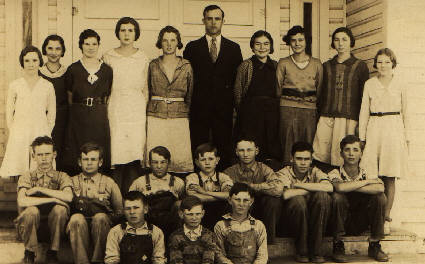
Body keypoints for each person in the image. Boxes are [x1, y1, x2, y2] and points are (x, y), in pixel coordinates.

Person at [183, 5, 243, 170]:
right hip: (199, 108)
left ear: (223, 21)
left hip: (224, 109)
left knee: (223, 147)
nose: (213, 22)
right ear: (203, 21)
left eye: (217, 19)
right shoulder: (192, 47)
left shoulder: (233, 48)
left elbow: (238, 82)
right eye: (209, 18)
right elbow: (186, 80)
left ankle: (222, 184)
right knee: (198, 146)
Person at [359, 48, 409, 235]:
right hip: (374, 127)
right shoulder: (370, 84)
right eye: (379, 62)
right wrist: (362, 137)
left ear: (393, 63)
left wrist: (406, 138)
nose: (383, 66)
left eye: (387, 62)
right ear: (375, 64)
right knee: (372, 174)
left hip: (394, 128)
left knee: (389, 175)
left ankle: (386, 218)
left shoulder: (401, 83)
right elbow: (364, 111)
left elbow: (406, 112)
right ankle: (373, 218)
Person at [103, 17, 149, 193]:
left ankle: (134, 195)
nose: (127, 34)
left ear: (136, 33)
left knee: (135, 151)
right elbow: (105, 85)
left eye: (131, 30)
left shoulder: (142, 57)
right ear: (117, 33)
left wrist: (142, 108)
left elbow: (146, 88)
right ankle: (116, 195)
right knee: (117, 150)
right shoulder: (109, 56)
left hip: (136, 108)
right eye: (123, 30)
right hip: (116, 106)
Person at [313, 27, 370, 169]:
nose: (340, 43)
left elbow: (364, 97)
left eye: (344, 39)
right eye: (336, 40)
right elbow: (320, 92)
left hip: (349, 118)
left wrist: (361, 123)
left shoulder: (360, 66)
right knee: (321, 153)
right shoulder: (326, 66)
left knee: (343, 155)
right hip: (326, 117)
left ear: (351, 42)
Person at [328, 135, 388, 262]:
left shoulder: (367, 172)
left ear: (361, 154)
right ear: (341, 153)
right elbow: (339, 188)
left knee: (380, 198)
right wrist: (366, 183)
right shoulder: (334, 172)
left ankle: (375, 245)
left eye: (355, 150)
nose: (351, 154)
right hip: (342, 221)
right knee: (338, 197)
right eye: (347, 150)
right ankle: (338, 245)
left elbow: (380, 189)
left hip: (361, 220)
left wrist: (349, 186)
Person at [63, 29, 113, 176]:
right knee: (78, 148)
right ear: (81, 46)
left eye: (94, 44)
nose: (91, 47)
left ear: (98, 46)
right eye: (87, 44)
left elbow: (109, 93)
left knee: (99, 147)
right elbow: (69, 96)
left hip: (98, 114)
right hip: (78, 114)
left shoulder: (106, 70)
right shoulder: (73, 69)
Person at [0, 46, 56, 178]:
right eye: (27, 61)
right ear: (22, 63)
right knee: (20, 167)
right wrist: (14, 129)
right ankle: (21, 195)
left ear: (39, 62)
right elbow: (9, 111)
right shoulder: (15, 85)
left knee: (39, 167)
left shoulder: (47, 86)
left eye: (34, 60)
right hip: (20, 131)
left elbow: (52, 114)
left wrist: (46, 131)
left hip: (40, 129)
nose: (31, 64)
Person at [15, 136, 73, 264]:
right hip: (30, 228)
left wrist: (39, 190)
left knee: (60, 209)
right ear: (34, 156)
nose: (44, 158)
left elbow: (68, 196)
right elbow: (22, 201)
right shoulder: (27, 177)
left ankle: (53, 253)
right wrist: (52, 199)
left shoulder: (62, 176)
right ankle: (29, 253)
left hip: (56, 229)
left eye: (47, 154)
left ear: (54, 154)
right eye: (40, 154)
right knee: (31, 211)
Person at [147, 26, 194, 173]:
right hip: (156, 114)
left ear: (178, 43)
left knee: (179, 153)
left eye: (173, 40)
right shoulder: (153, 64)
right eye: (165, 40)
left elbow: (190, 93)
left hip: (179, 115)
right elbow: (147, 89)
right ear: (160, 43)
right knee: (157, 151)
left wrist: (185, 110)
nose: (169, 44)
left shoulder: (186, 65)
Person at [276, 142, 333, 263]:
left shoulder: (315, 171)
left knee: (323, 197)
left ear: (311, 160)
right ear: (292, 159)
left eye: (306, 159)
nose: (303, 163)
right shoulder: (283, 173)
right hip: (291, 220)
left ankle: (316, 251)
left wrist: (297, 185)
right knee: (298, 201)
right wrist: (312, 189)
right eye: (299, 159)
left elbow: (329, 188)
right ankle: (302, 250)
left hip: (314, 219)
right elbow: (286, 194)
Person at [67, 142, 123, 264]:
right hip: (78, 226)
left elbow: (119, 211)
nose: (89, 163)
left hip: (102, 227)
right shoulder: (70, 182)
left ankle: (98, 261)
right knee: (76, 218)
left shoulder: (109, 183)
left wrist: (105, 220)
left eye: (93, 159)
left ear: (100, 162)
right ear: (79, 162)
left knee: (100, 218)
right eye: (85, 159)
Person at [276, 26, 323, 165]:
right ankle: (287, 174)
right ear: (289, 43)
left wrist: (313, 104)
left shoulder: (317, 64)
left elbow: (320, 88)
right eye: (293, 40)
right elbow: (278, 88)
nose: (297, 44)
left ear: (306, 42)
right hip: (287, 108)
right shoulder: (283, 63)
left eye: (300, 40)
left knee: (308, 141)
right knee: (288, 142)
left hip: (309, 109)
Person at [233, 30, 280, 164]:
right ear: (252, 47)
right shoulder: (246, 65)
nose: (262, 47)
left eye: (266, 44)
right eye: (258, 44)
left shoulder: (276, 66)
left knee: (270, 144)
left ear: (271, 46)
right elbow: (238, 91)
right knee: (251, 144)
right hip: (251, 113)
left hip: (271, 113)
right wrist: (242, 112)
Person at [224, 138, 282, 244]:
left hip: (263, 210)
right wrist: (263, 186)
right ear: (236, 152)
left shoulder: (264, 169)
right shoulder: (230, 172)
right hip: (240, 209)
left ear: (256, 151)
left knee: (273, 202)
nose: (245, 154)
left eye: (249, 150)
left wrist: (252, 186)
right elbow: (225, 193)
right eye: (242, 150)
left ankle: (268, 244)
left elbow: (278, 189)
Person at [129, 146, 185, 239]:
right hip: (148, 222)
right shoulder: (139, 182)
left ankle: (178, 241)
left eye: (163, 162)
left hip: (171, 223)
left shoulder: (178, 182)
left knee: (180, 205)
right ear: (150, 163)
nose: (159, 166)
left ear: (169, 163)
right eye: (155, 162)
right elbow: (130, 203)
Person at [105, 191, 166, 264]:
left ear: (145, 209)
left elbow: (159, 261)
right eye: (128, 208)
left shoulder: (156, 232)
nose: (132, 212)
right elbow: (111, 261)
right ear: (124, 211)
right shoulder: (116, 232)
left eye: (136, 208)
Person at [214, 182, 268, 264]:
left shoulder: (258, 225)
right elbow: (219, 254)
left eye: (245, 200)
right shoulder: (220, 225)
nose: (241, 204)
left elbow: (263, 254)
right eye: (237, 200)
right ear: (230, 200)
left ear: (251, 201)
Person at [185, 143, 233, 230]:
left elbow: (229, 195)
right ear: (197, 162)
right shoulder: (192, 177)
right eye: (203, 160)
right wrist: (219, 196)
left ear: (217, 160)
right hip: (200, 214)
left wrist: (204, 192)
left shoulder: (223, 177)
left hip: (220, 212)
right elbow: (193, 197)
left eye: (211, 159)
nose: (207, 163)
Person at [40, 35, 68, 171]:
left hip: (62, 120)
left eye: (58, 49)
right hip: (42, 118)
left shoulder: (68, 73)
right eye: (50, 48)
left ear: (62, 51)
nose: (53, 52)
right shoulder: (38, 73)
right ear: (44, 50)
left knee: (60, 152)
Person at [168, 196, 216, 264]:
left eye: (198, 214)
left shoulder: (209, 235)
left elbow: (208, 260)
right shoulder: (175, 237)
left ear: (202, 214)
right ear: (181, 214)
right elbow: (176, 261)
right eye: (190, 214)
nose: (194, 218)